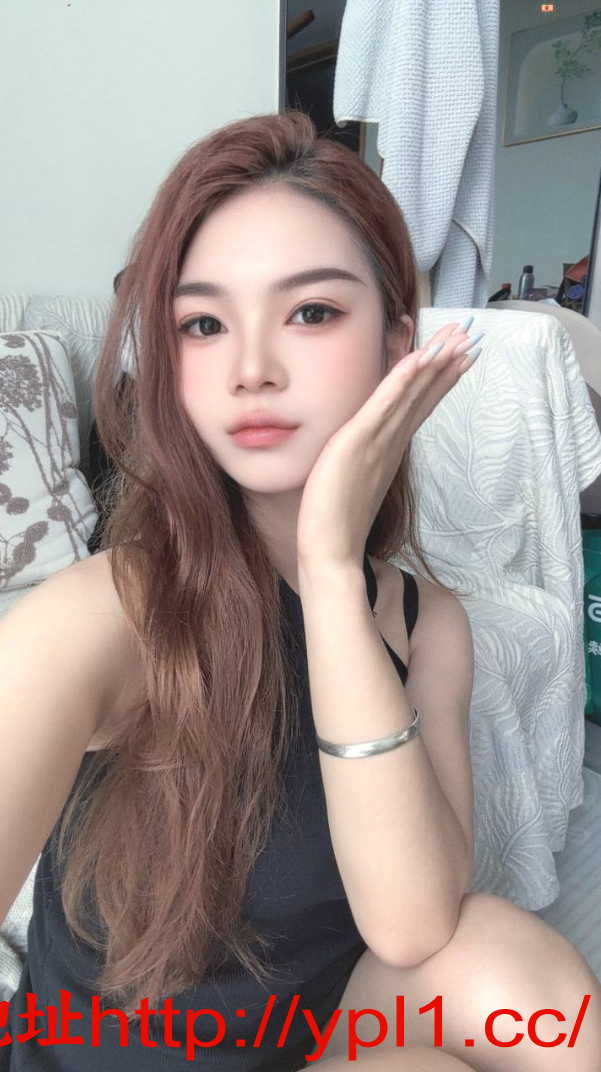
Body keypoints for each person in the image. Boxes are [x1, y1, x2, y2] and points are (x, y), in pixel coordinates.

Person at [1, 110, 600, 1072]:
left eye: (311, 312)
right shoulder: (100, 618)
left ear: (397, 342)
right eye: (203, 324)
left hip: (318, 1031)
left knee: (523, 973)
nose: (250, 371)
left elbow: (413, 926)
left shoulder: (425, 622)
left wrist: (328, 572)